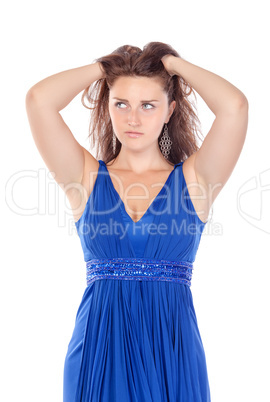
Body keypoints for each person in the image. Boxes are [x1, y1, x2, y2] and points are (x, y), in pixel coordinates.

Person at [25, 42, 248, 401]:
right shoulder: (84, 177)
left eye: (148, 105)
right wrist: (108, 68)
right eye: (121, 104)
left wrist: (172, 64)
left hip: (171, 352)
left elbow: (235, 107)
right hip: (98, 348)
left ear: (169, 111)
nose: (133, 119)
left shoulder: (196, 181)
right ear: (108, 107)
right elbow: (38, 100)